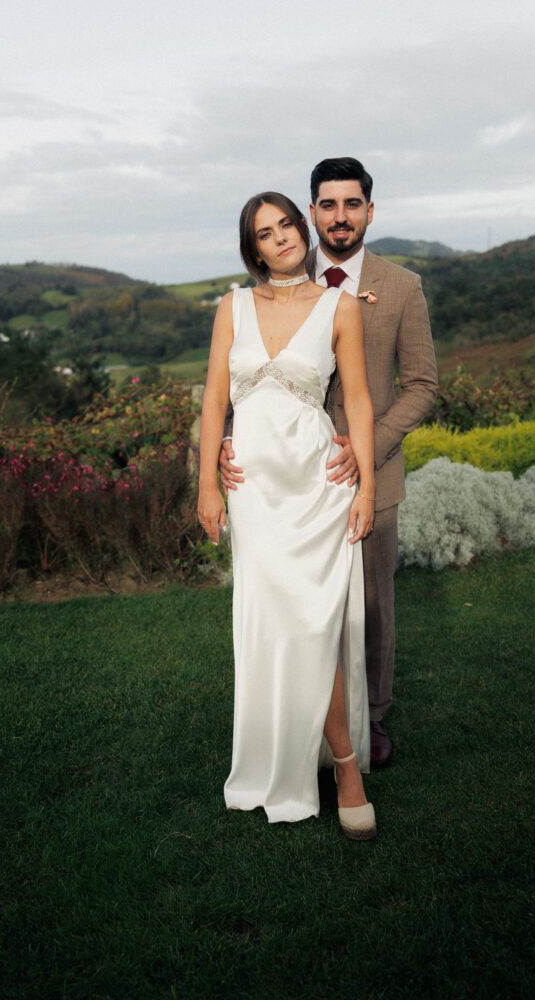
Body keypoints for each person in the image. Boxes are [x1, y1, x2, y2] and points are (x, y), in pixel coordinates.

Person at [221, 159, 438, 769]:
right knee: (291, 609)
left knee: (366, 610)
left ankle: (369, 721)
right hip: (283, 480)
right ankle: (297, 724)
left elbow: (422, 384)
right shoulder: (278, 276)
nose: (339, 216)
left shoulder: (401, 286)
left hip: (366, 473)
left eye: (352, 204)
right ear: (310, 213)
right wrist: (226, 439)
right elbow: (243, 375)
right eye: (326, 205)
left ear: (370, 210)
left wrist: (364, 448)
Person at [198, 191, 377, 838]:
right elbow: (216, 399)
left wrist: (365, 486)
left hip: (315, 485)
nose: (281, 238)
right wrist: (205, 488)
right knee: (276, 627)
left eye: (286, 225)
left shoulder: (339, 306)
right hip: (251, 490)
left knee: (313, 625)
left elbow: (356, 400)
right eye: (265, 233)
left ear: (302, 231)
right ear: (253, 249)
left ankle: (346, 767)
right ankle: (295, 760)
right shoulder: (232, 308)